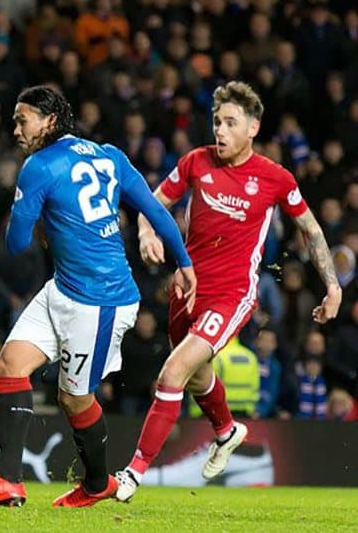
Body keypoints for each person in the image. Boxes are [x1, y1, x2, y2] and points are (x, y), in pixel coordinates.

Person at [0, 86, 194, 508]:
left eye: (21, 119)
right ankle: (8, 480)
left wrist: (27, 207)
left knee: (73, 397)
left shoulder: (37, 167)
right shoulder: (110, 155)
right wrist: (184, 263)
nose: (15, 129)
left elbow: (15, 244)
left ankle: (98, 482)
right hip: (64, 287)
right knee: (10, 364)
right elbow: (156, 212)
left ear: (48, 121)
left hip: (101, 301)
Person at [114, 82, 342, 502]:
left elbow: (309, 229)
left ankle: (132, 472)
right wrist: (147, 232)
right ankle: (226, 430)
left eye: (230, 123)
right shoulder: (195, 162)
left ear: (253, 128)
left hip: (232, 295)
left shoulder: (275, 178)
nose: (219, 130)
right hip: (187, 290)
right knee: (199, 374)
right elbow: (152, 202)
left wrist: (331, 286)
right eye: (217, 121)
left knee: (173, 371)